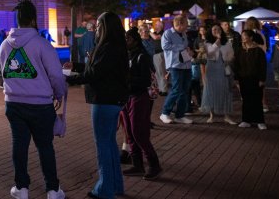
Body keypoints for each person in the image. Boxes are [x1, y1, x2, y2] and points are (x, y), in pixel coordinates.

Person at [0, 0, 67, 199]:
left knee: (19, 146)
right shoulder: (41, 44)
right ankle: (53, 190)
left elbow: (5, 73)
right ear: (33, 20)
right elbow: (56, 74)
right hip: (40, 105)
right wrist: (59, 93)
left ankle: (22, 189)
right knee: (45, 147)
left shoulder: (4, 45)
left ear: (17, 19)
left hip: (14, 104)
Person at [66, 12, 128, 199]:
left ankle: (104, 189)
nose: (96, 29)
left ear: (106, 27)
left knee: (103, 145)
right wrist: (77, 66)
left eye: (99, 26)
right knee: (109, 144)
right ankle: (115, 185)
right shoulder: (117, 46)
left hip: (104, 100)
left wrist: (70, 79)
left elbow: (95, 74)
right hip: (114, 100)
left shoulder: (107, 48)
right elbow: (97, 68)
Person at [119, 27, 161, 180]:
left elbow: (145, 81)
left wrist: (127, 79)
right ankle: (137, 164)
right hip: (126, 97)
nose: (125, 41)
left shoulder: (142, 56)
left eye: (128, 39)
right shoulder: (125, 55)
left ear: (135, 41)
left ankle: (154, 164)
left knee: (138, 132)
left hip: (138, 97)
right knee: (129, 132)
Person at [159, 15, 193, 125]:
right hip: (175, 65)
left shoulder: (183, 34)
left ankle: (180, 115)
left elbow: (184, 46)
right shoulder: (168, 33)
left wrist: (187, 49)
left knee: (184, 90)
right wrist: (181, 47)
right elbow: (165, 46)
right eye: (186, 24)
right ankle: (165, 113)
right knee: (176, 89)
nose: (187, 26)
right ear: (180, 24)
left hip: (186, 65)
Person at [200, 25, 236, 124]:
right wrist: (218, 40)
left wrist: (228, 60)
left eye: (218, 29)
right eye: (214, 29)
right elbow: (210, 52)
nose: (216, 31)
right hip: (211, 68)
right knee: (211, 91)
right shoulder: (207, 43)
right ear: (210, 31)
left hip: (223, 68)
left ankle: (226, 116)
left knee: (225, 90)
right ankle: (211, 115)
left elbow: (231, 54)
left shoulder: (227, 42)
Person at [234, 30, 267, 129]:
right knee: (246, 99)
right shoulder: (240, 50)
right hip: (243, 78)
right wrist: (236, 78)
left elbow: (263, 66)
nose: (243, 38)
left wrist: (262, 79)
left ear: (251, 37)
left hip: (255, 78)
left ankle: (260, 121)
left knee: (257, 99)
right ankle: (246, 120)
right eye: (242, 36)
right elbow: (236, 65)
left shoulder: (258, 50)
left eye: (245, 36)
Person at [150, 20, 168, 96]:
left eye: (157, 25)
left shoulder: (163, 33)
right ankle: (161, 89)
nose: (155, 26)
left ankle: (164, 90)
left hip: (160, 54)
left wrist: (149, 31)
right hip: (155, 54)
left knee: (162, 72)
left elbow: (156, 38)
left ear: (161, 26)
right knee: (157, 73)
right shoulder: (155, 33)